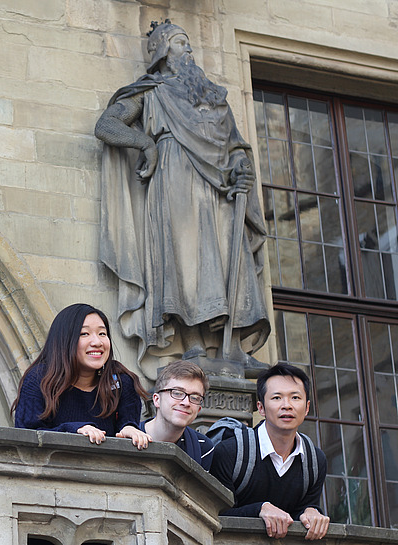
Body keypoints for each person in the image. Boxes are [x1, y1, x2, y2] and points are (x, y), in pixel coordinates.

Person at [94, 21, 269, 372]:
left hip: (219, 187)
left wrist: (239, 165)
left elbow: (235, 145)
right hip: (176, 183)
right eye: (179, 43)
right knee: (184, 260)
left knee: (225, 259)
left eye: (188, 43)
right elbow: (106, 126)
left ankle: (232, 348)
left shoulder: (215, 99)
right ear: (162, 53)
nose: (187, 49)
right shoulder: (151, 92)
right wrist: (144, 142)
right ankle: (192, 347)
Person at [210, 363, 330, 540]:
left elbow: (297, 517)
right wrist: (260, 509)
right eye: (276, 398)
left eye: (295, 398)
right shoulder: (231, 452)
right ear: (261, 408)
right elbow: (212, 513)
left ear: (306, 408)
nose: (286, 405)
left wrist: (311, 512)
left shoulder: (314, 461)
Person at [13, 303, 151, 449]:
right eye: (84, 334)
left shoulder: (121, 381)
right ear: (64, 340)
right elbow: (26, 437)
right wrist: (73, 429)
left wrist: (129, 429)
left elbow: (126, 423)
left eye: (102, 334)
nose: (97, 342)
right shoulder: (39, 379)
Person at [139, 360, 213, 469]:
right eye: (177, 393)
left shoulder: (203, 447)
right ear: (157, 400)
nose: (186, 403)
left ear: (199, 409)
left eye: (195, 397)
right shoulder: (126, 436)